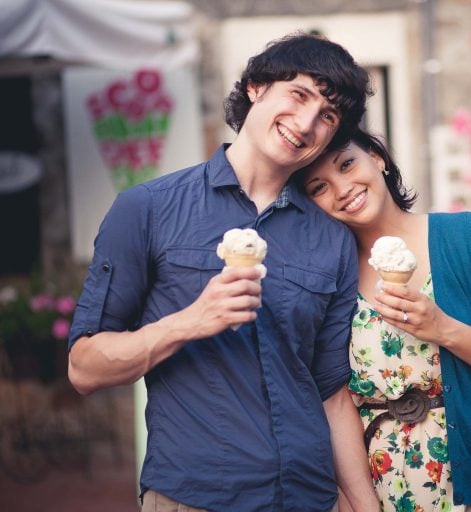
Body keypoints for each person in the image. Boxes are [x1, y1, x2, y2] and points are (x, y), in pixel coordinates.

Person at [68, 33, 380, 511]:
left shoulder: (331, 238)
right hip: (195, 497)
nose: (306, 123)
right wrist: (191, 320)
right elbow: (84, 367)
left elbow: (331, 395)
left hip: (308, 498)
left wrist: (365, 507)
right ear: (256, 86)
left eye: (328, 117)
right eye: (298, 95)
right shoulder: (147, 209)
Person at [297, 128, 471, 511]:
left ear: (377, 158)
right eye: (319, 187)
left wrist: (444, 330)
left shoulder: (466, 237)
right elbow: (334, 403)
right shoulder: (329, 279)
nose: (342, 188)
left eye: (347, 164)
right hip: (379, 491)